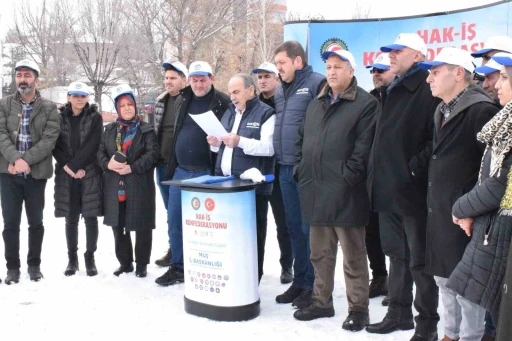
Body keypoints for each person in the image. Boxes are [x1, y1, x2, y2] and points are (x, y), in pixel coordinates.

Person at [292, 49, 379, 331]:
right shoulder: (316, 102)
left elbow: (363, 151)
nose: (332, 72)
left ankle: (358, 309)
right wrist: (299, 168)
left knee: (353, 257)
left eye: (338, 67)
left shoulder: (365, 104)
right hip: (315, 189)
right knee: (320, 254)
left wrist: (345, 179)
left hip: (346, 193)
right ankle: (321, 302)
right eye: (328, 66)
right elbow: (301, 140)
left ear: (351, 71)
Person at [419, 47, 499, 341]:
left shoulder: (481, 110)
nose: (429, 78)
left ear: (459, 73)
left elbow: (493, 171)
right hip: (442, 212)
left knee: (468, 288)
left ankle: (469, 337)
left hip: (468, 219)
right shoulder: (441, 109)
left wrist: (473, 209)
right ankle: (449, 335)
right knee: (444, 280)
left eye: (435, 72)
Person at [366, 33, 441, 340]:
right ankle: (398, 314)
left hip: (412, 190)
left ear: (418, 55)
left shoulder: (427, 86)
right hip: (389, 189)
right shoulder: (391, 88)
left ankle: (427, 326)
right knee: (397, 255)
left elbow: (435, 139)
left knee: (419, 261)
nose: (391, 55)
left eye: (398, 51)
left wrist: (412, 169)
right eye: (389, 51)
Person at [447, 52, 512, 340]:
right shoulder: (504, 122)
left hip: (498, 228)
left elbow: (498, 184)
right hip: (491, 226)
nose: (496, 84)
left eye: (505, 77)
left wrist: (462, 207)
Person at [155, 61, 230, 286]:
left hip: (207, 172)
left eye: (203, 79)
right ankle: (178, 266)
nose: (198, 84)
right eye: (195, 79)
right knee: (174, 219)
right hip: (181, 170)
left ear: (212, 78)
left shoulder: (223, 102)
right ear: (189, 80)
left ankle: (208, 266)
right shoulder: (183, 99)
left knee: (207, 224)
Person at [207, 73, 275, 283]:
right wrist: (214, 143)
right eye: (230, 92)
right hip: (225, 184)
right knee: (229, 236)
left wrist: (240, 141)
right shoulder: (228, 113)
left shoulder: (266, 113)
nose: (232, 96)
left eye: (236, 91)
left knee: (252, 236)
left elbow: (269, 148)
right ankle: (232, 277)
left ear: (250, 90)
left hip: (250, 188)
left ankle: (252, 279)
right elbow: (221, 147)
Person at [273, 40, 326, 309]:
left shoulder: (317, 82)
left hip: (305, 170)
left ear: (297, 61)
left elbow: (326, 124)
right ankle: (300, 280)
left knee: (308, 231)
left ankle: (313, 285)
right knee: (293, 228)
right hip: (283, 168)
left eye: (281, 63)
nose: (278, 68)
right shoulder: (280, 90)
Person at [0, 59, 60, 284]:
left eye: (27, 75)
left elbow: (49, 139)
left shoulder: (48, 107)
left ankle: (34, 265)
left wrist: (26, 161)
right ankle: (12, 268)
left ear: (36, 78)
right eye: (19, 75)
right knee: (10, 223)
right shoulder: (3, 104)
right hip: (8, 174)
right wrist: (15, 159)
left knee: (36, 222)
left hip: (36, 175)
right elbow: (1, 134)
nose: (22, 79)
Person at [98, 84, 158, 278]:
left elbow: (152, 154)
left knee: (142, 226)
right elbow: (99, 153)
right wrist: (108, 165)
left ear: (134, 106)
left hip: (139, 184)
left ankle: (141, 264)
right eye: (122, 105)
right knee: (118, 224)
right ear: (117, 109)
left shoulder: (146, 130)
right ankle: (125, 263)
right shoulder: (109, 131)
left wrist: (132, 167)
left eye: (129, 104)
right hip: (115, 185)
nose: (126, 108)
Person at [53, 81, 103, 277]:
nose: (79, 99)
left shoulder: (95, 117)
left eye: (83, 96)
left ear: (87, 97)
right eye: (75, 95)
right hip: (67, 175)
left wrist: (77, 167)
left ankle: (90, 258)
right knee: (71, 218)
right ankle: (72, 259)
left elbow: (93, 144)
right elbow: (55, 145)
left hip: (89, 172)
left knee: (90, 217)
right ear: (68, 97)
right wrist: (69, 167)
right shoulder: (59, 118)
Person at [252, 61, 293, 284]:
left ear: (277, 78)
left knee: (283, 223)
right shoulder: (253, 105)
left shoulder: (284, 102)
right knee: (257, 222)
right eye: (259, 77)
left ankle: (287, 265)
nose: (262, 80)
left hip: (278, 170)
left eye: (267, 76)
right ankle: (254, 265)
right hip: (257, 172)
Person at [365, 53, 395, 302]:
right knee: (370, 231)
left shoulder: (401, 98)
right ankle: (379, 278)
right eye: (373, 70)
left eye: (381, 70)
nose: (376, 74)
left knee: (395, 238)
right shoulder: (371, 99)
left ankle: (397, 286)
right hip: (370, 178)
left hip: (395, 180)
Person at [153, 61, 188, 268]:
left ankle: (185, 252)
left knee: (182, 211)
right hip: (162, 165)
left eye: (173, 78)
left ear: (184, 80)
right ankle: (174, 248)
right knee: (170, 211)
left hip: (182, 166)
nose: (168, 81)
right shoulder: (161, 102)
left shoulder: (189, 101)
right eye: (166, 78)